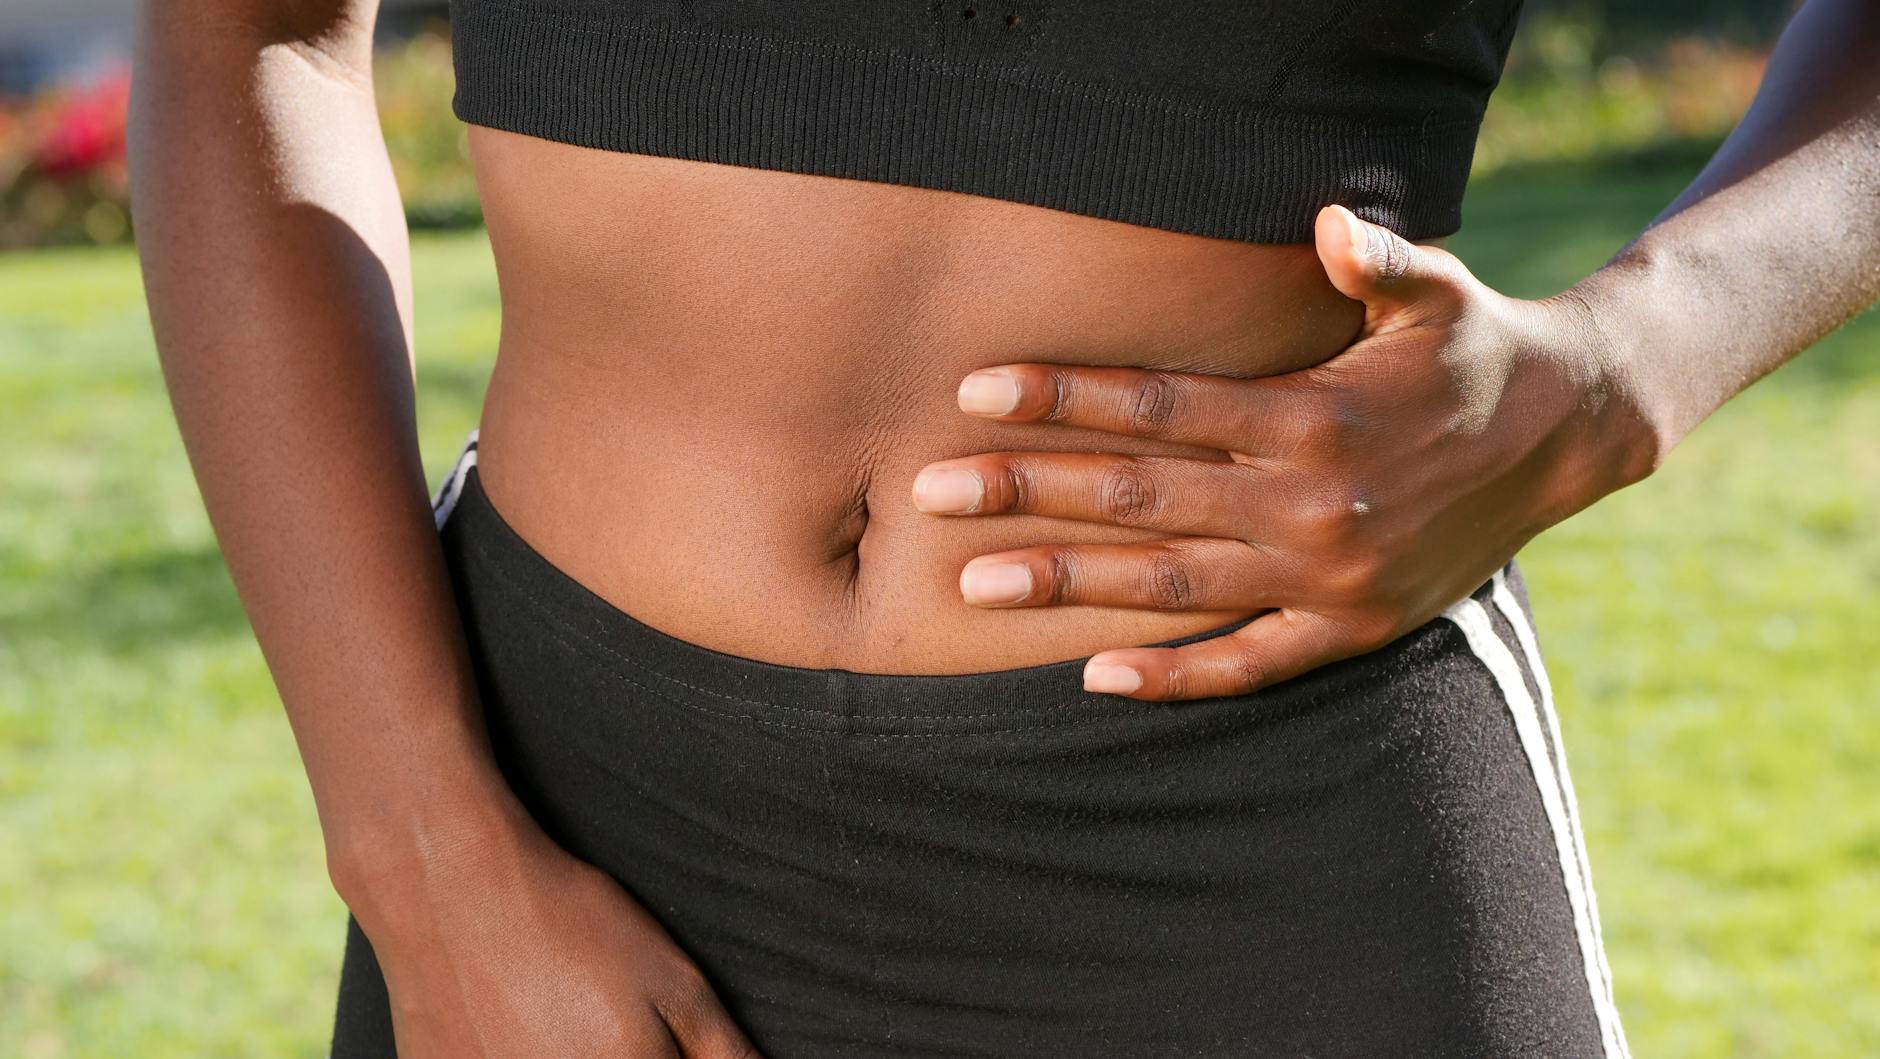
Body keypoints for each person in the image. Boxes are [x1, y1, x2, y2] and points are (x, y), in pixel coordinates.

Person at [129, 0, 1878, 1055]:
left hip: (1259, 825)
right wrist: (433, 875)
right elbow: (245, 35)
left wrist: (1632, 361)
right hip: (564, 817)